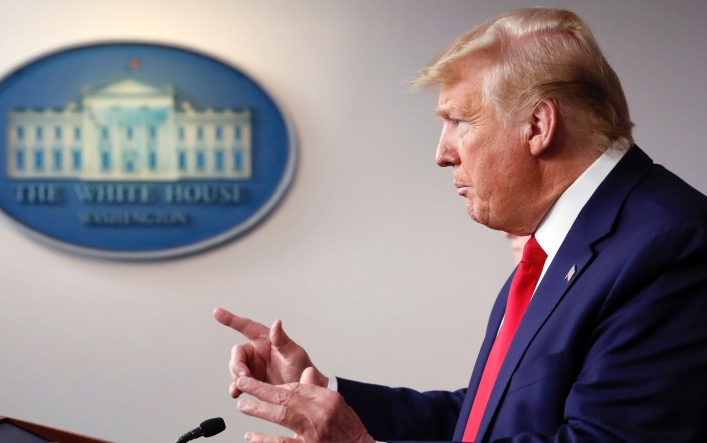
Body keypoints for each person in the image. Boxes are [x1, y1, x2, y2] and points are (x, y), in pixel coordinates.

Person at [214, 7, 707, 442]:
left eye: (459, 121)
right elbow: (488, 420)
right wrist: (320, 392)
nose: (442, 154)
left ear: (537, 126)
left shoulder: (670, 245)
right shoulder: (572, 243)